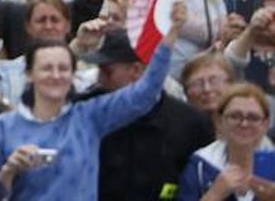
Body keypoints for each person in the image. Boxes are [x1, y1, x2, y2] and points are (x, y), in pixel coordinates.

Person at [0, 0, 186, 199]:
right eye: (47, 68)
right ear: (29, 74)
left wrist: (171, 34)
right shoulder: (3, 127)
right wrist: (9, 171)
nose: (56, 75)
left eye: (63, 69)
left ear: (73, 74)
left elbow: (145, 93)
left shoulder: (88, 116)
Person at [80, 28, 212, 200]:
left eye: (107, 71)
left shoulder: (190, 123)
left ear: (136, 70)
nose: (99, 79)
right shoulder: (87, 111)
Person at [176, 83, 275, 201]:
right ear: (219, 121)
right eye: (235, 116)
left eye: (253, 117)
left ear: (265, 124)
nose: (244, 124)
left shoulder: (272, 162)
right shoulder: (200, 166)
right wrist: (214, 195)